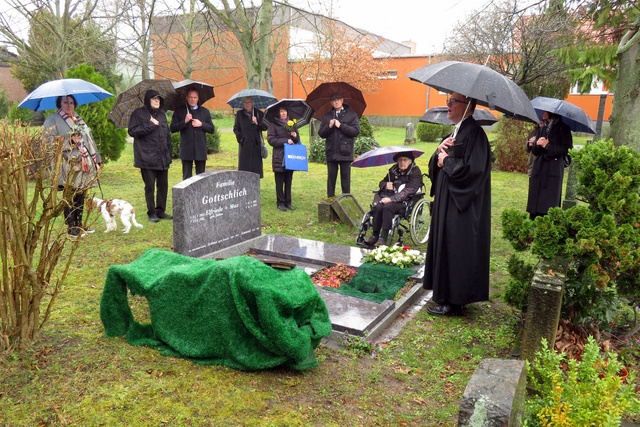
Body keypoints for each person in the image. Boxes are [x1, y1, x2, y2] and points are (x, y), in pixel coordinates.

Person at [423, 92, 491, 316]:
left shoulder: (475, 134)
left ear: (468, 105)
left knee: (456, 247)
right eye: (448, 100)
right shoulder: (456, 131)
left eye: (453, 101)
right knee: (446, 245)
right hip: (447, 201)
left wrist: (448, 161)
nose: (448, 105)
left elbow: (476, 171)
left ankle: (454, 299)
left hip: (461, 206)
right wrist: (439, 151)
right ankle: (446, 295)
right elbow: (437, 166)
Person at [43, 95, 102, 237]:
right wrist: (70, 141)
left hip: (83, 164)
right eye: (65, 102)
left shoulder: (78, 118)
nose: (69, 105)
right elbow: (48, 142)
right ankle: (71, 226)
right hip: (67, 164)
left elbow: (89, 139)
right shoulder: (52, 120)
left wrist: (97, 160)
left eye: (71, 102)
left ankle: (79, 224)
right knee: (69, 194)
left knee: (81, 193)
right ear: (59, 103)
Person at [128, 90, 173, 223]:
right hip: (146, 158)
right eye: (154, 99)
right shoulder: (138, 114)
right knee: (150, 186)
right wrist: (149, 124)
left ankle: (160, 210)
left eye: (159, 99)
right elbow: (132, 131)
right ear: (148, 100)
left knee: (163, 185)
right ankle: (151, 212)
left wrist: (169, 154)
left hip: (162, 157)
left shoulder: (162, 115)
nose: (157, 101)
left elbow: (167, 136)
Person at [365, 152, 423, 247]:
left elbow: (409, 190)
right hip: (391, 197)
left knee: (388, 207)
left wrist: (392, 199)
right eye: (400, 160)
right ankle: (375, 235)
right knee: (378, 206)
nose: (402, 162)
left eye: (405, 160)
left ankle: (383, 237)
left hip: (406, 201)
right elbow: (382, 182)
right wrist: (385, 185)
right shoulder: (393, 169)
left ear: (410, 161)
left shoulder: (415, 171)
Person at [525, 111, 572, 220]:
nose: (542, 112)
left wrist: (547, 146)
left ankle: (546, 224)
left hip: (553, 170)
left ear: (552, 112)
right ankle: (533, 222)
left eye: (544, 111)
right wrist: (535, 144)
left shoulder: (563, 129)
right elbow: (536, 152)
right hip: (539, 168)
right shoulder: (542, 128)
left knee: (548, 203)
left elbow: (566, 149)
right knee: (535, 201)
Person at [318, 93, 360, 198]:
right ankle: (330, 200)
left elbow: (355, 131)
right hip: (331, 152)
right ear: (331, 102)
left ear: (342, 100)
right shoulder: (327, 116)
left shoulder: (352, 115)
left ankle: (346, 200)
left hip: (345, 152)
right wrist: (329, 126)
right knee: (331, 179)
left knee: (345, 179)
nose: (336, 102)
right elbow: (321, 133)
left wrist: (341, 125)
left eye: (338, 100)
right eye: (334, 100)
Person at [170, 89, 215, 180]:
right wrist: (184, 121)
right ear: (186, 98)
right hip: (187, 150)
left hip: (200, 150)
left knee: (201, 178)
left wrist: (201, 124)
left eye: (195, 97)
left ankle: (200, 194)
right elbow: (172, 128)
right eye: (190, 97)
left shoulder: (205, 111)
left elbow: (211, 129)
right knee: (187, 178)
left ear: (198, 98)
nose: (192, 99)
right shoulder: (179, 111)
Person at [267, 107, 301, 211]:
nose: (283, 113)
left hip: (290, 156)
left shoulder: (292, 123)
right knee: (279, 180)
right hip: (279, 156)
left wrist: (295, 136)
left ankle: (288, 202)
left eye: (285, 111)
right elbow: (271, 140)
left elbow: (296, 140)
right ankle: (280, 202)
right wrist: (286, 140)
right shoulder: (273, 124)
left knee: (288, 179)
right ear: (278, 113)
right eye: (281, 111)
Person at [233, 97, 268, 178]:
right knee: (244, 169)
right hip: (244, 145)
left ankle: (254, 186)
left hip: (256, 145)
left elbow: (265, 127)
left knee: (255, 168)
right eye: (245, 102)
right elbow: (236, 128)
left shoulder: (259, 113)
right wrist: (241, 139)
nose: (247, 104)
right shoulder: (239, 114)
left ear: (252, 103)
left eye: (249, 102)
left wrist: (257, 123)